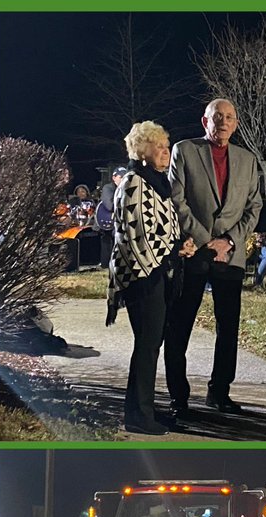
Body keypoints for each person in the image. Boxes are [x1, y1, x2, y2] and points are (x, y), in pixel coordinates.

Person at [165, 98, 263, 417]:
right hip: (194, 251)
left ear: (236, 124)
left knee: (229, 327)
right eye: (217, 116)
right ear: (204, 121)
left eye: (229, 117)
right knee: (180, 325)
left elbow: (254, 208)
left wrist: (230, 241)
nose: (223, 122)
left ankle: (219, 392)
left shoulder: (248, 160)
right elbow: (176, 201)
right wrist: (209, 241)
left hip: (230, 255)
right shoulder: (184, 150)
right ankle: (178, 398)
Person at [105, 121, 196, 435]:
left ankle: (143, 410)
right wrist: (173, 252)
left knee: (151, 344)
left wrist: (180, 244)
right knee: (147, 344)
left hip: (157, 271)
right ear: (143, 151)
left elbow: (164, 226)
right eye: (160, 147)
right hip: (141, 275)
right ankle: (138, 415)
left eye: (166, 147)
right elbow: (139, 235)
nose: (166, 153)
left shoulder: (156, 182)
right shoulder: (133, 183)